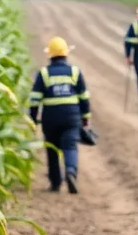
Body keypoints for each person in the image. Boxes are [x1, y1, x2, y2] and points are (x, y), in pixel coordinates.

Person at [28, 36, 91, 194]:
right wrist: (85, 117)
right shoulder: (75, 72)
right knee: (70, 145)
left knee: (52, 148)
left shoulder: (44, 74)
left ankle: (56, 183)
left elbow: (35, 99)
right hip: (71, 116)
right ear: (66, 54)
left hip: (51, 118)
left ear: (50, 55)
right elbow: (84, 97)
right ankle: (71, 172)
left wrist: (33, 118)